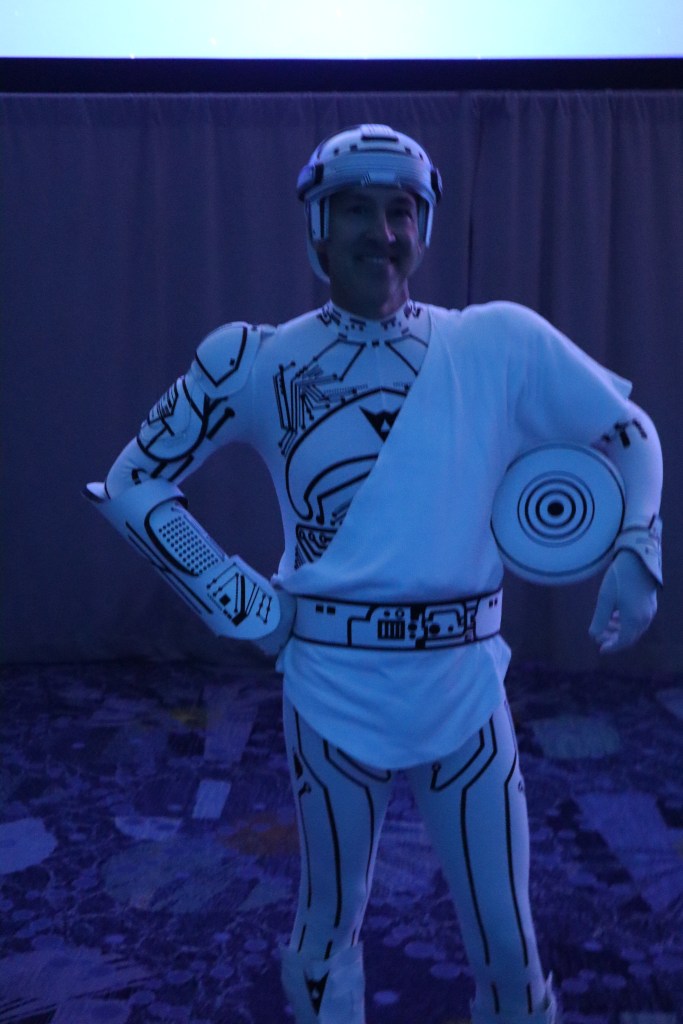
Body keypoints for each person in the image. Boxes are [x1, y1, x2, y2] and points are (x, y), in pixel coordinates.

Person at [92, 124, 663, 1023]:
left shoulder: (497, 344)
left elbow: (629, 434)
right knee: (327, 926)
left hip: (464, 686)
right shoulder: (256, 360)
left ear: (423, 226)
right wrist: (238, 599)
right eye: (355, 208)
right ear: (317, 227)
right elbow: (132, 480)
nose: (380, 232)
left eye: (400, 210)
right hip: (332, 689)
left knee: (508, 941)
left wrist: (636, 545)